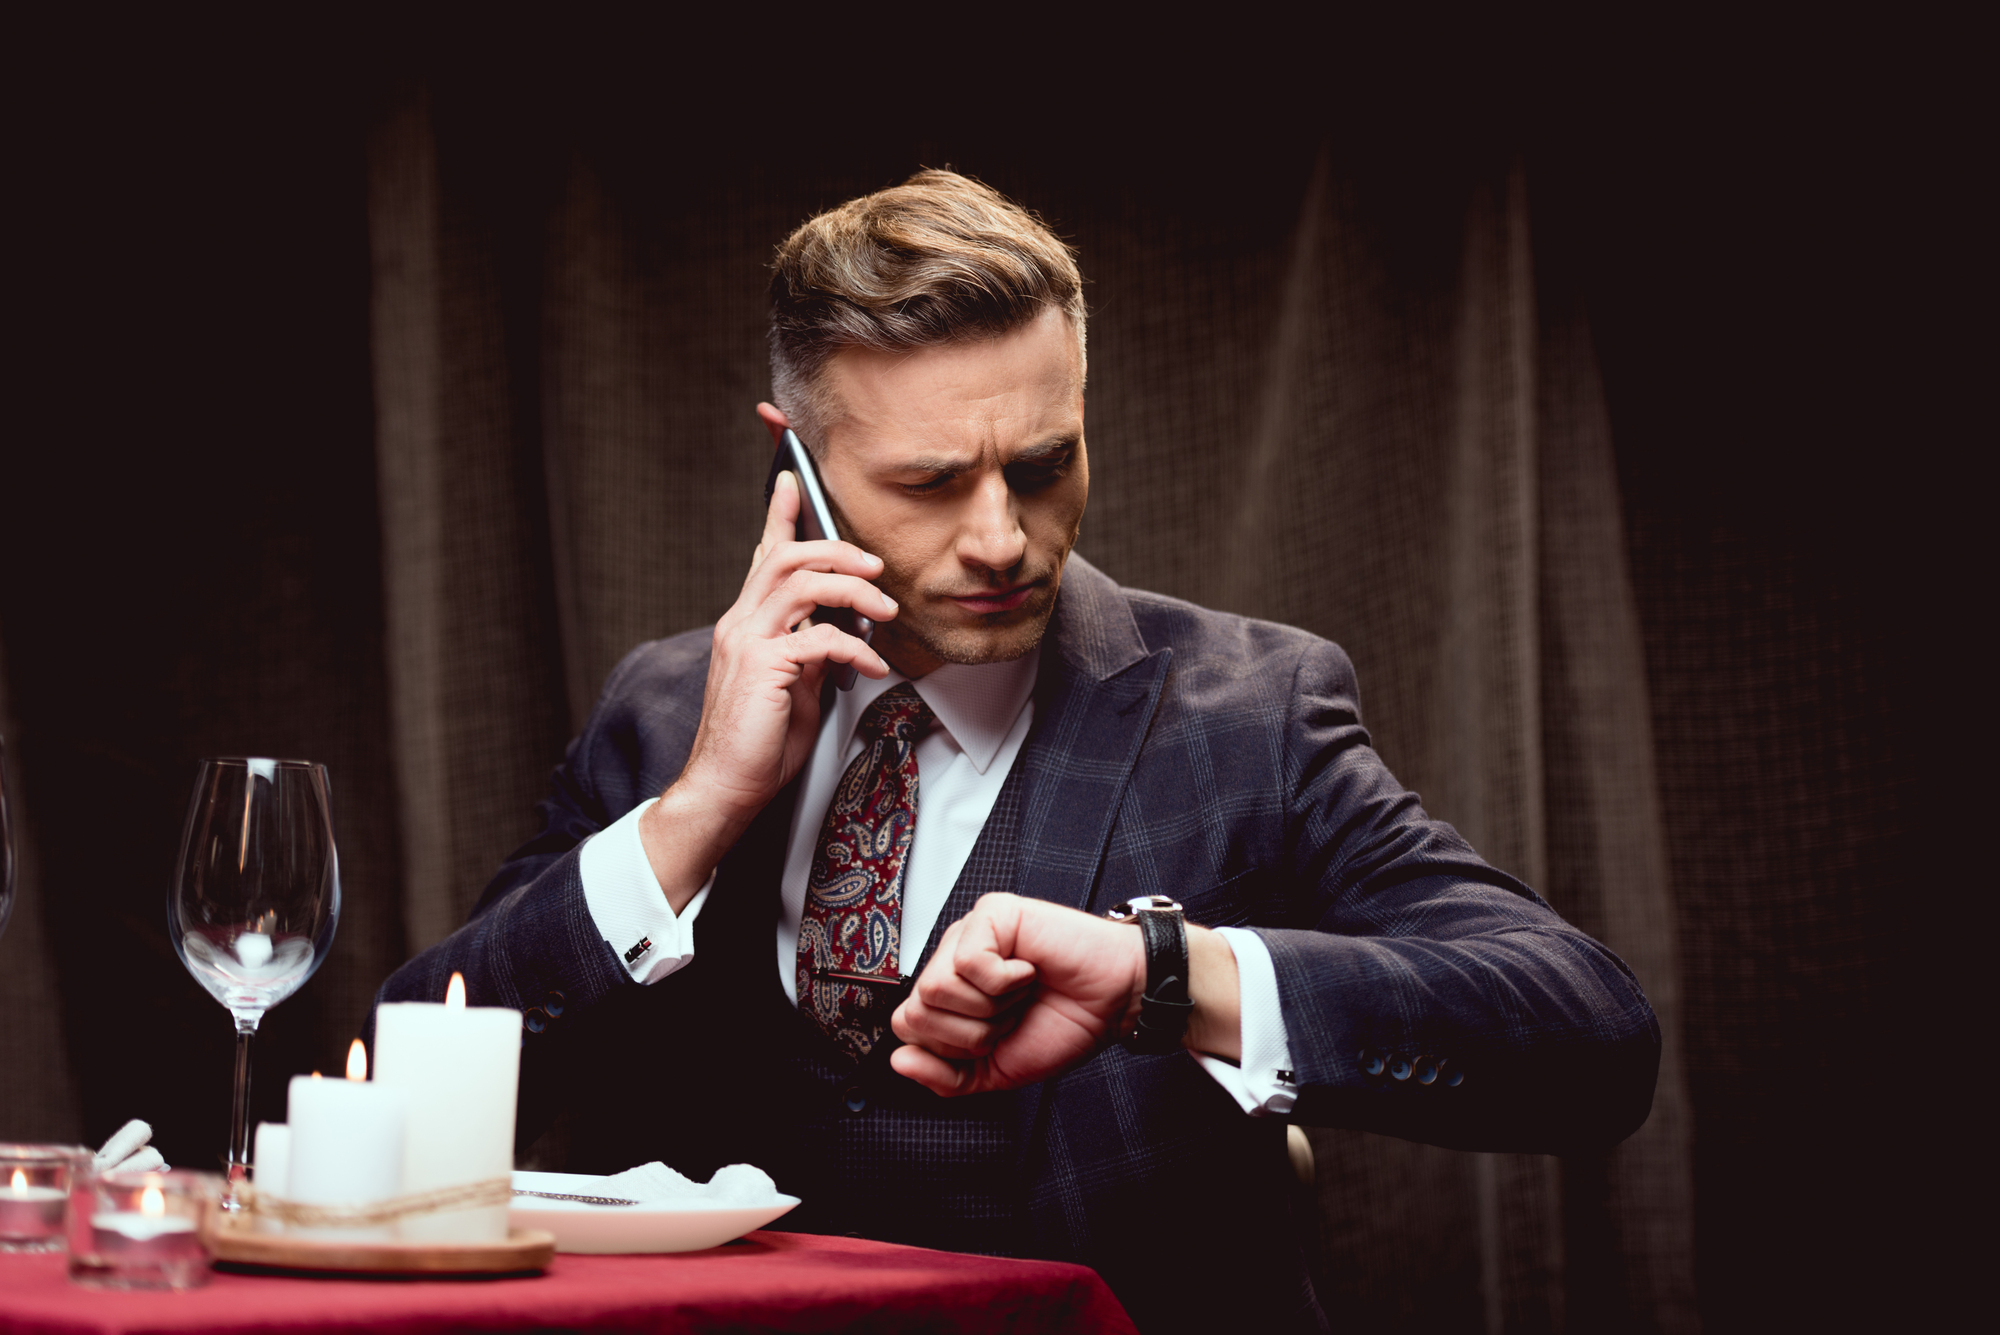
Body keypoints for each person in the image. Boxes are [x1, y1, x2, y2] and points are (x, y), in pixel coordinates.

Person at [372, 169, 1659, 1334]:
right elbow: (415, 1080)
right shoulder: (663, 710)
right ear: (799, 467)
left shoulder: (1247, 712)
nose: (1001, 537)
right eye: (930, 482)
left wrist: (1173, 976)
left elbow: (1590, 1042)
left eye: (1042, 465)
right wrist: (695, 813)